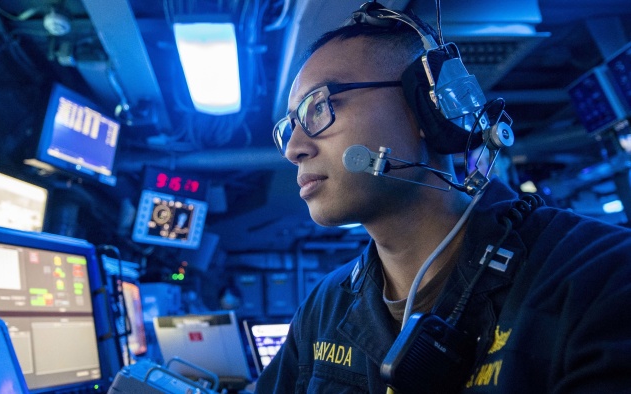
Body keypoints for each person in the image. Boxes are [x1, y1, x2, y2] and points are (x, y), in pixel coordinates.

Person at [255, 2, 631, 393]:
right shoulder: (323, 309)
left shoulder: (597, 276)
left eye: (318, 107)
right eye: (289, 127)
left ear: (429, 108)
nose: (293, 148)